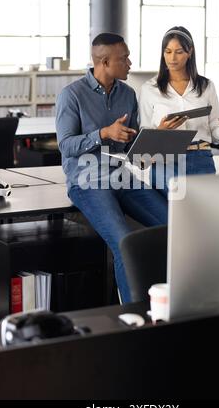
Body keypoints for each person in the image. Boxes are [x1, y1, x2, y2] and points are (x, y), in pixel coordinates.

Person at [56, 32, 168, 303]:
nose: (130, 63)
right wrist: (104, 133)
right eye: (124, 58)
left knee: (174, 227)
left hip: (124, 178)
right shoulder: (71, 95)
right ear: (104, 61)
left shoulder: (127, 94)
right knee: (124, 242)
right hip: (88, 181)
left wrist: (156, 137)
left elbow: (131, 148)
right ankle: (132, 314)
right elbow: (66, 146)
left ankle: (170, 303)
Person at [139, 26, 219, 196]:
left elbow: (215, 133)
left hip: (200, 158)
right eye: (168, 51)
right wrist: (161, 131)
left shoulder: (206, 86)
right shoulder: (149, 89)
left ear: (190, 52)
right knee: (169, 218)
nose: (172, 58)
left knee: (204, 216)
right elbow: (144, 134)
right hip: (166, 162)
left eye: (179, 52)